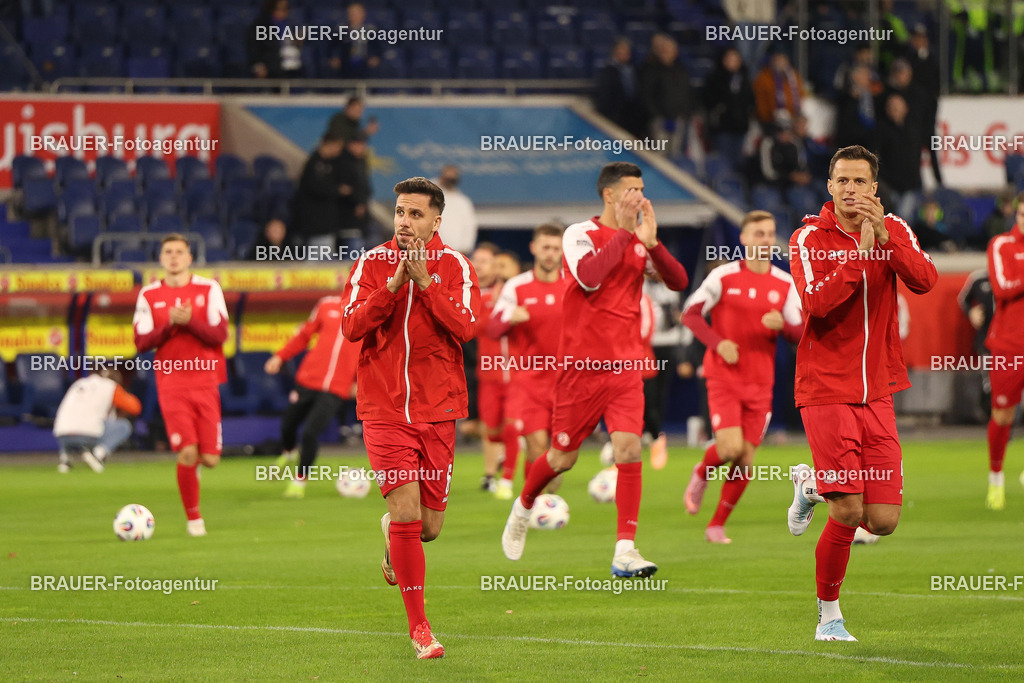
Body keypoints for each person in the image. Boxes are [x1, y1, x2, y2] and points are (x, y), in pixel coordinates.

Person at [500, 161, 689, 578]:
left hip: (624, 368)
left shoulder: (639, 240)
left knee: (629, 448)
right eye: (632, 190)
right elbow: (587, 277)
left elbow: (678, 281)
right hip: (581, 369)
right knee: (561, 457)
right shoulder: (579, 234)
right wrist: (625, 234)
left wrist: (653, 244)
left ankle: (625, 549)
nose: (639, 196)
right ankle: (523, 506)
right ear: (609, 195)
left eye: (642, 189)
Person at [786, 145, 937, 641]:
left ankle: (811, 487)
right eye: (842, 181)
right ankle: (829, 615)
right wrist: (859, 255)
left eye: (860, 182)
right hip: (825, 388)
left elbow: (925, 280)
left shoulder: (896, 228)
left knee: (884, 520)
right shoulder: (810, 237)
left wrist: (887, 242)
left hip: (878, 390)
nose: (850, 190)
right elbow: (816, 303)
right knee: (848, 511)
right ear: (829, 187)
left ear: (875, 188)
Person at [341, 176, 480, 659]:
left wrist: (423, 284)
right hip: (383, 409)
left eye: (415, 214)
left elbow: (466, 326)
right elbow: (351, 326)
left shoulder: (456, 266)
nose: (404, 221)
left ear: (436, 220)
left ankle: (392, 536)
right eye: (400, 212)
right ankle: (421, 629)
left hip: (438, 409)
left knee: (428, 527)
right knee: (406, 514)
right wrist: (394, 285)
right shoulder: (373, 263)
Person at [682, 211, 803, 543]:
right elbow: (691, 315)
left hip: (761, 381)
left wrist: (787, 328)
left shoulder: (785, 282)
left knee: (746, 458)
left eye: (770, 234)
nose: (765, 240)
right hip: (723, 377)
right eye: (758, 233)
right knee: (730, 447)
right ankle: (701, 472)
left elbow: (802, 331)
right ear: (745, 239)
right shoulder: (723, 276)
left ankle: (716, 524)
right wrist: (718, 343)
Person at [133, 233, 229, 537]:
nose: (173, 257)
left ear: (189, 258)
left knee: (210, 459)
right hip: (171, 382)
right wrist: (171, 324)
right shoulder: (148, 295)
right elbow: (141, 342)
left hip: (205, 380)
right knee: (187, 452)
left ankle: (194, 470)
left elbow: (220, 334)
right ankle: (194, 519)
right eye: (168, 252)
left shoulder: (209, 288)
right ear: (161, 259)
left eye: (179, 252)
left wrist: (188, 321)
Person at [487, 223, 565, 498]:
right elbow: (493, 328)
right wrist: (509, 317)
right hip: (530, 381)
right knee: (537, 444)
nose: (550, 253)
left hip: (567, 381)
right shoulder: (516, 286)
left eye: (556, 248)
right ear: (533, 248)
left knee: (561, 455)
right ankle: (535, 503)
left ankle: (539, 493)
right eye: (545, 247)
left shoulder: (573, 285)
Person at [264, 296, 360, 498]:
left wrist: (363, 385)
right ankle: (288, 452)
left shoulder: (373, 311)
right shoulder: (327, 305)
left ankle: (299, 481)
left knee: (310, 433)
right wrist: (280, 356)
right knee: (287, 426)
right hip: (308, 380)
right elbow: (304, 335)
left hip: (336, 388)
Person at [984, 193, 1024, 510]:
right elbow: (1002, 286)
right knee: (1003, 414)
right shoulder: (1002, 245)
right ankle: (996, 477)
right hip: (1009, 345)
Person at [471, 242, 517, 493]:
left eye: (486, 261)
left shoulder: (516, 292)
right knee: (491, 427)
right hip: (488, 373)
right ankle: (490, 474)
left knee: (512, 425)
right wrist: (495, 310)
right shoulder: (477, 295)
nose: (479, 265)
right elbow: (474, 328)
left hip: (517, 372)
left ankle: (508, 478)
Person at [53, 369, 141, 473]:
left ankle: (65, 460)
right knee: (124, 426)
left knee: (73, 424)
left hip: (61, 434)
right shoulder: (111, 386)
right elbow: (135, 408)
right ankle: (97, 455)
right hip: (87, 435)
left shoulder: (79, 383)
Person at [639, 33, 693, 158]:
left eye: (671, 49)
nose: (668, 52)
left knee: (675, 155)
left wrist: (686, 112)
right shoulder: (651, 70)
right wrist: (657, 115)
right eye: (665, 49)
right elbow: (647, 95)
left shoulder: (681, 69)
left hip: (678, 119)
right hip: (660, 120)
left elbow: (687, 93)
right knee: (660, 155)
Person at [291, 132, 346, 252]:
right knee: (317, 264)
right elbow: (314, 188)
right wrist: (337, 190)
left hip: (325, 224)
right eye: (337, 146)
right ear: (329, 144)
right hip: (317, 225)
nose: (339, 150)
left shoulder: (331, 163)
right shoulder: (313, 163)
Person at [703, 47, 755, 171]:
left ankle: (733, 187)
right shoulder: (715, 78)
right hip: (722, 128)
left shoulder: (744, 79)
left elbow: (750, 100)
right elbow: (707, 99)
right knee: (723, 160)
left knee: (738, 161)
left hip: (740, 127)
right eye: (729, 59)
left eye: (735, 59)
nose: (732, 62)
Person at [594, 38, 646, 139]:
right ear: (615, 51)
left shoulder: (633, 70)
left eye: (627, 51)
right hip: (615, 118)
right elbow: (605, 97)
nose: (625, 53)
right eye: (622, 50)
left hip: (633, 119)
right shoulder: (608, 72)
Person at [247, 0, 304, 79]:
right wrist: (258, 65)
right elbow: (254, 47)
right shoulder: (261, 25)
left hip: (292, 62)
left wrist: (298, 41)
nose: (282, 13)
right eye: (278, 9)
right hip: (272, 64)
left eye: (285, 10)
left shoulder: (291, 24)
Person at [753, 51, 805, 132]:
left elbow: (801, 95)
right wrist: (769, 117)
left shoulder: (794, 76)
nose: (781, 64)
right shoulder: (763, 78)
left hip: (792, 119)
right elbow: (760, 102)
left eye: (783, 61)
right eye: (778, 61)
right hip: (771, 120)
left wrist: (794, 115)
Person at [436, 165, 478, 254]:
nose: (450, 181)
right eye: (448, 178)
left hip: (457, 253)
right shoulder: (430, 196)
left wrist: (465, 249)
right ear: (441, 177)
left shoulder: (463, 202)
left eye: (452, 179)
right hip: (433, 251)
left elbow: (469, 227)